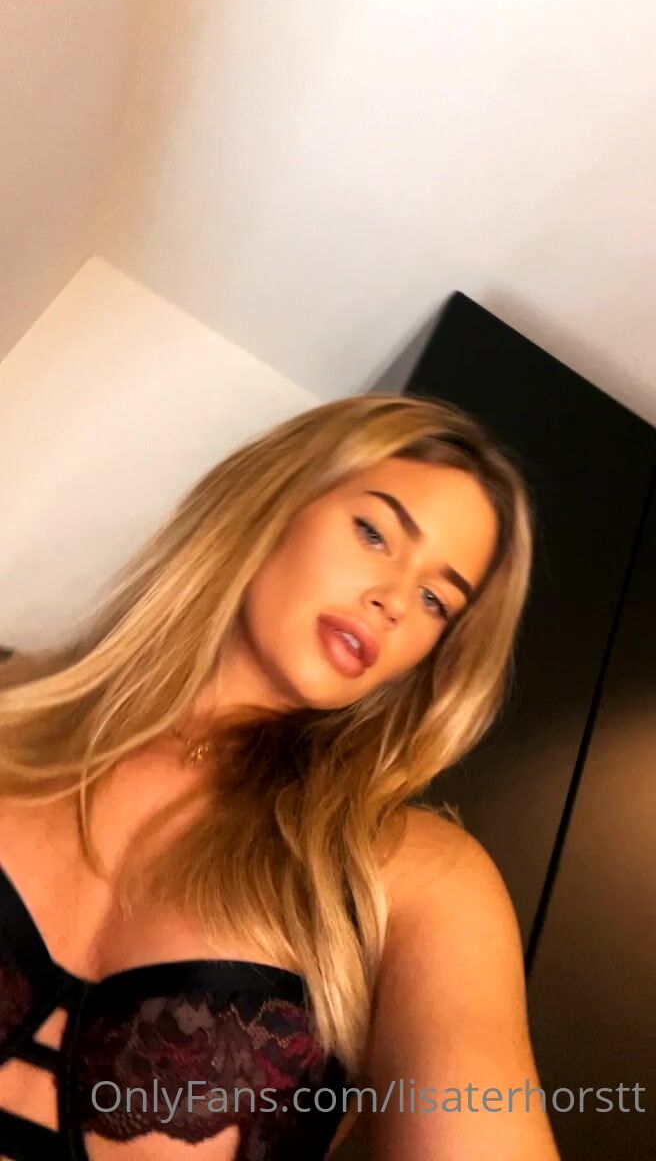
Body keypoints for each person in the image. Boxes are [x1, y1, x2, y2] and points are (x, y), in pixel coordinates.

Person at [0, 392, 560, 1161]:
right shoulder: (11, 707)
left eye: (437, 599)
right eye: (374, 532)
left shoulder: (415, 885)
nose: (394, 601)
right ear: (276, 498)